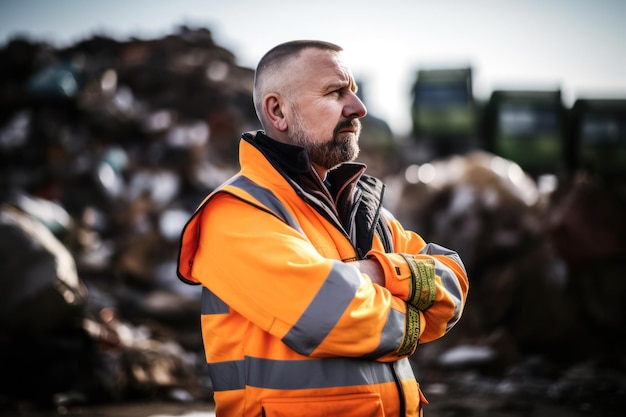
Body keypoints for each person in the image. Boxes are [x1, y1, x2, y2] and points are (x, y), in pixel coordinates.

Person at [178, 40, 469, 417]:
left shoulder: (359, 208)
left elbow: (455, 279)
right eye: (335, 92)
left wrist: (376, 271)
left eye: (354, 92)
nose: (358, 108)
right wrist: (416, 314)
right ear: (277, 111)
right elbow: (331, 317)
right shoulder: (236, 213)